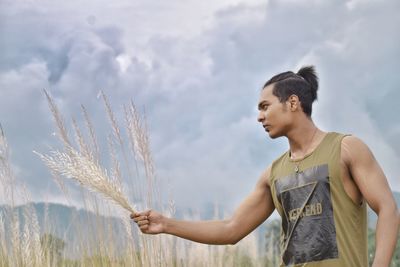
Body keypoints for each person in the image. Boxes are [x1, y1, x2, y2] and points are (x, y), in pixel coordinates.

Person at [131, 66, 399, 266]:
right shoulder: (272, 174)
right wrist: (166, 224)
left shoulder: (346, 148)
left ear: (292, 102)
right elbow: (232, 229)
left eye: (265, 106)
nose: (259, 117)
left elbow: (387, 208)